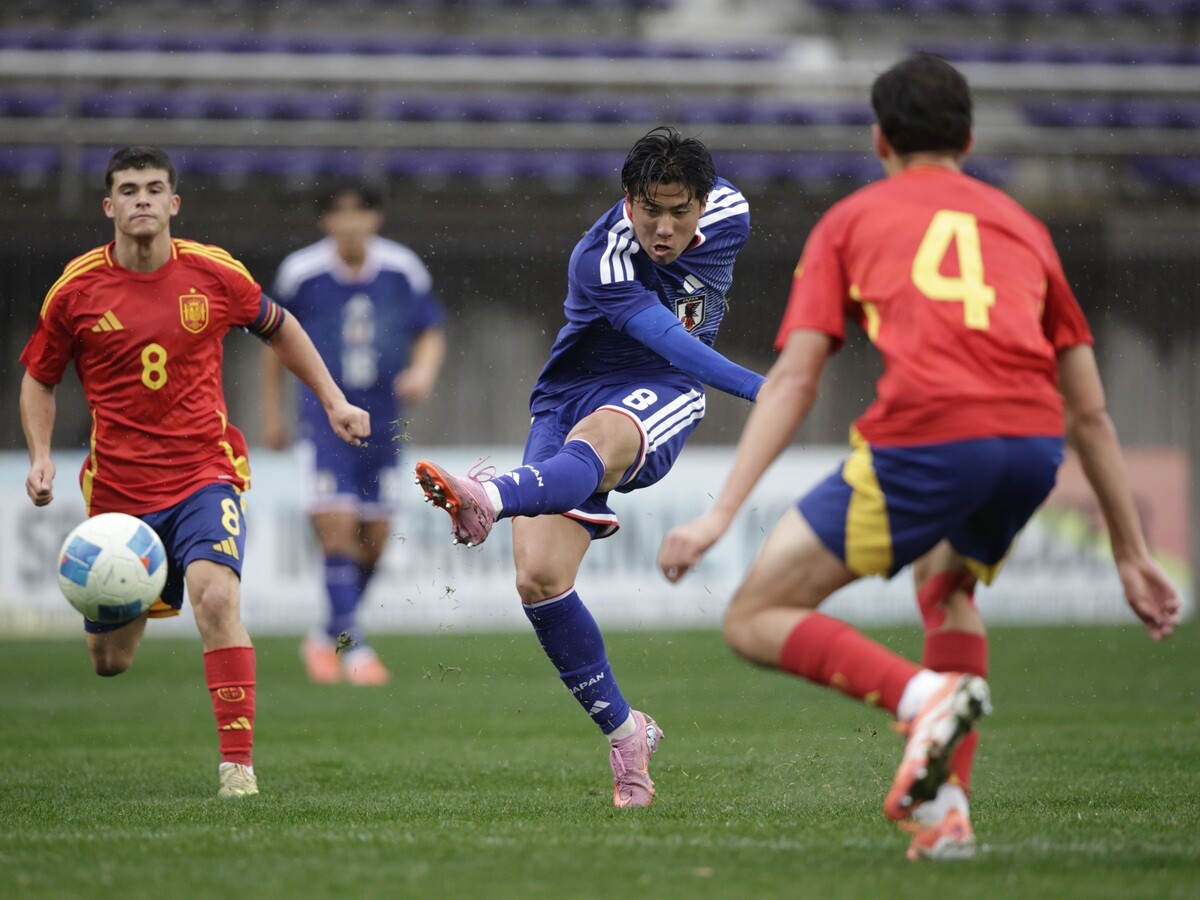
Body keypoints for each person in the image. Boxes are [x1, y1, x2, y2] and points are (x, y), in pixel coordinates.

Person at [656, 55, 1183, 860]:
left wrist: (720, 512)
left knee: (754, 618)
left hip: (932, 439)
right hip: (1030, 448)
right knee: (947, 586)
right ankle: (945, 819)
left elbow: (797, 377)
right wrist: (1133, 554)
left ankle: (922, 698)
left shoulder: (852, 221)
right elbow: (1091, 410)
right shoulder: (1022, 227)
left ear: (879, 140)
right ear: (968, 140)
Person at [414, 126, 763, 808]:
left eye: (677, 211)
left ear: (704, 203)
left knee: (600, 441)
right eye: (647, 209)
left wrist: (761, 388)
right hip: (570, 394)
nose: (661, 228)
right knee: (539, 579)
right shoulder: (597, 257)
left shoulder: (733, 214)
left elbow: (675, 352)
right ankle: (627, 733)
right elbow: (665, 327)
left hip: (662, 387)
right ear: (626, 199)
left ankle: (484, 493)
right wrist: (764, 388)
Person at [19, 146, 370, 798]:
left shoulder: (214, 274)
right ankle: (142, 592)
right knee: (110, 662)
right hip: (120, 493)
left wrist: (333, 399)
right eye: (129, 190)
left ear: (174, 203)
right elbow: (39, 379)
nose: (143, 200)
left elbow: (280, 326)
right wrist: (40, 458)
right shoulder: (76, 289)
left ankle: (237, 768)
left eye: (155, 189)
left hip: (205, 473)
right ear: (109, 206)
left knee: (215, 597)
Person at [261, 181, 446, 686]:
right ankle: (356, 651)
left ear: (375, 218)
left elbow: (430, 328)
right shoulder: (302, 273)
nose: (349, 222)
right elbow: (273, 338)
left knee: (376, 540)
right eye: (338, 213)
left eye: (359, 212)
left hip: (384, 423)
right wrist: (272, 412)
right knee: (337, 527)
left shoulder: (402, 268)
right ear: (325, 221)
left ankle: (326, 636)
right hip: (322, 422)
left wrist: (424, 372)